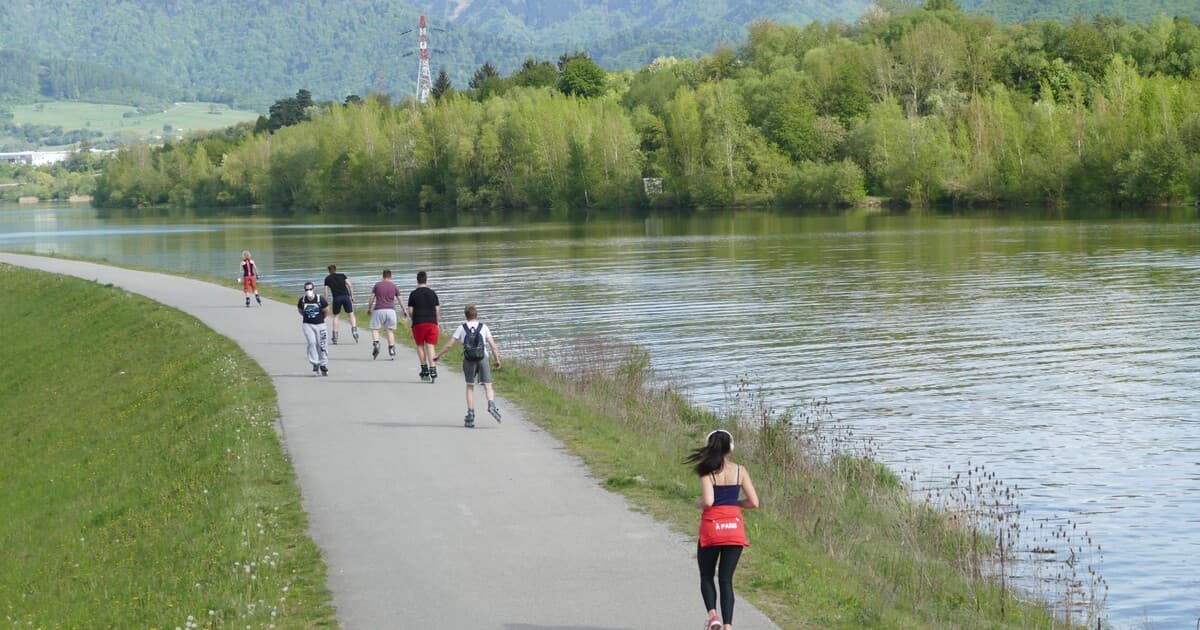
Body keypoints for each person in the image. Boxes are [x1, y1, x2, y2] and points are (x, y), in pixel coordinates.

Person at [685, 429, 759, 630]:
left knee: (707, 576)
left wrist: (697, 503)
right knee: (726, 580)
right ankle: (728, 626)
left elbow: (709, 500)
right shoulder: (740, 471)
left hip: (713, 530)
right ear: (731, 448)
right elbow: (754, 502)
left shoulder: (706, 471)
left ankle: (713, 617)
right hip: (734, 529)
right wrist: (735, 503)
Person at [432, 305, 502, 428]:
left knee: (470, 386)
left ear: (466, 315)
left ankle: (470, 415)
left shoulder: (461, 328)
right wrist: (497, 359)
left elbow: (449, 345)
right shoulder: (484, 327)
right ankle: (491, 404)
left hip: (468, 359)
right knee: (488, 384)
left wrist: (438, 355)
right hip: (482, 357)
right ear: (476, 315)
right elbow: (493, 345)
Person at [406, 270, 441, 382]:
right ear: (426, 280)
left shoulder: (413, 294)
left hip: (418, 323)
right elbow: (437, 310)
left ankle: (424, 369)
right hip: (432, 322)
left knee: (420, 346)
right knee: (430, 346)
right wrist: (437, 322)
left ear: (417, 280)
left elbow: (410, 311)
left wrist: (413, 319)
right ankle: (433, 369)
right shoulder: (433, 293)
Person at [366, 269, 401, 360]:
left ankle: (376, 344)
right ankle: (391, 349)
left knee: (375, 329)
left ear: (383, 276)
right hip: (391, 311)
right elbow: (400, 299)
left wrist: (369, 308)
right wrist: (404, 310)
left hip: (379, 310)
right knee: (389, 330)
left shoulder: (377, 285)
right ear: (390, 276)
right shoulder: (394, 286)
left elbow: (372, 298)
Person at [297, 281, 330, 376]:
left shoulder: (320, 299)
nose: (309, 291)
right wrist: (307, 317)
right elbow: (300, 310)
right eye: (307, 289)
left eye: (310, 289)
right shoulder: (302, 300)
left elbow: (326, 310)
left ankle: (323, 364)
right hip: (308, 324)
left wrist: (321, 318)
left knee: (321, 344)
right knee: (312, 343)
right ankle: (315, 363)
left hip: (320, 324)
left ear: (313, 289)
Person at [323, 264, 359, 345]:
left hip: (336, 298)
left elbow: (326, 292)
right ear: (335, 270)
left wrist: (325, 302)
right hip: (346, 297)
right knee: (351, 314)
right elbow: (350, 285)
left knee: (336, 316)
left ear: (329, 271)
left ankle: (335, 337)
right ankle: (354, 331)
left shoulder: (327, 279)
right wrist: (352, 296)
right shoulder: (342, 275)